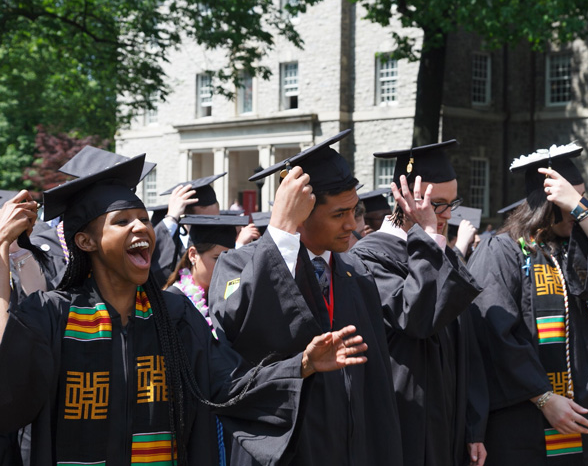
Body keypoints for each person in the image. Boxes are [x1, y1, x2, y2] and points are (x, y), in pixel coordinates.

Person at [0, 153, 369, 465]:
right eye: (122, 221)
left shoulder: (173, 316)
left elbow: (229, 386)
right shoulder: (53, 316)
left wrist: (301, 364)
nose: (141, 228)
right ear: (85, 241)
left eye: (143, 218)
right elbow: (9, 390)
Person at [209, 130, 404, 466]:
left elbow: (377, 387)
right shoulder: (238, 264)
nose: (351, 225)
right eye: (338, 214)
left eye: (353, 211)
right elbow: (240, 330)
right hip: (286, 450)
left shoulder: (356, 274)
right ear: (301, 215)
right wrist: (281, 231)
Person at [467, 143, 588, 465]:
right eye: (568, 201)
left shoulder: (579, 250)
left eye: (580, 199)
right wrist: (544, 398)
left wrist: (583, 209)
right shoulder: (503, 251)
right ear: (545, 202)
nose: (576, 208)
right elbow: (494, 334)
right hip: (530, 425)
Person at [350, 140, 488, 466]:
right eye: (437, 204)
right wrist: (428, 236)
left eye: (452, 203)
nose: (448, 215)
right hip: (403, 420)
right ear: (404, 197)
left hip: (448, 421)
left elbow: (466, 347)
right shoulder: (369, 258)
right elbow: (416, 318)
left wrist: (474, 426)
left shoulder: (441, 250)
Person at [151, 173, 225, 286]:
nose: (212, 227)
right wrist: (171, 218)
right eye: (206, 221)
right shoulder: (170, 245)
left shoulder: (220, 244)